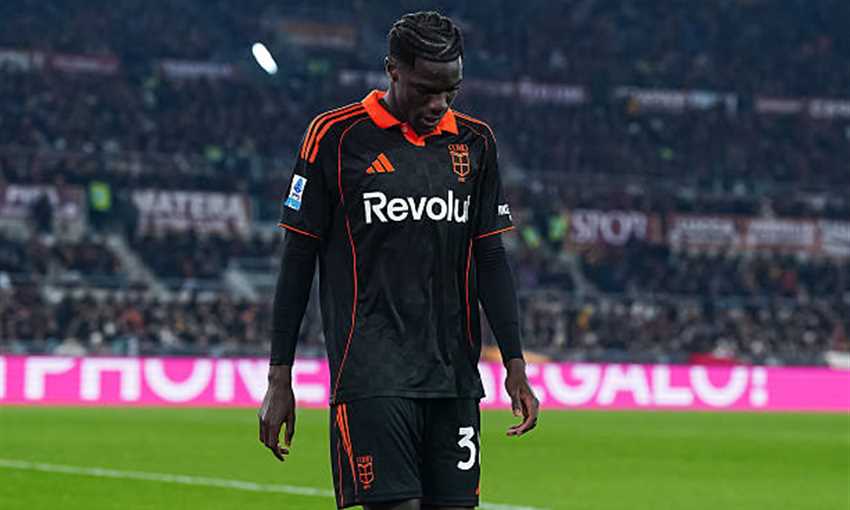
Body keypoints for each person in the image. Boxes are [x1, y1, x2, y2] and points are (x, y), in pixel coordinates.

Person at [258, 11, 539, 510]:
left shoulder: (476, 143)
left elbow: (490, 256)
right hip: (371, 373)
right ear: (393, 70)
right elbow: (298, 259)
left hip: (453, 376)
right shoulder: (335, 137)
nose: (439, 104)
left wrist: (514, 362)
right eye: (426, 90)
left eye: (450, 91)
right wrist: (280, 377)